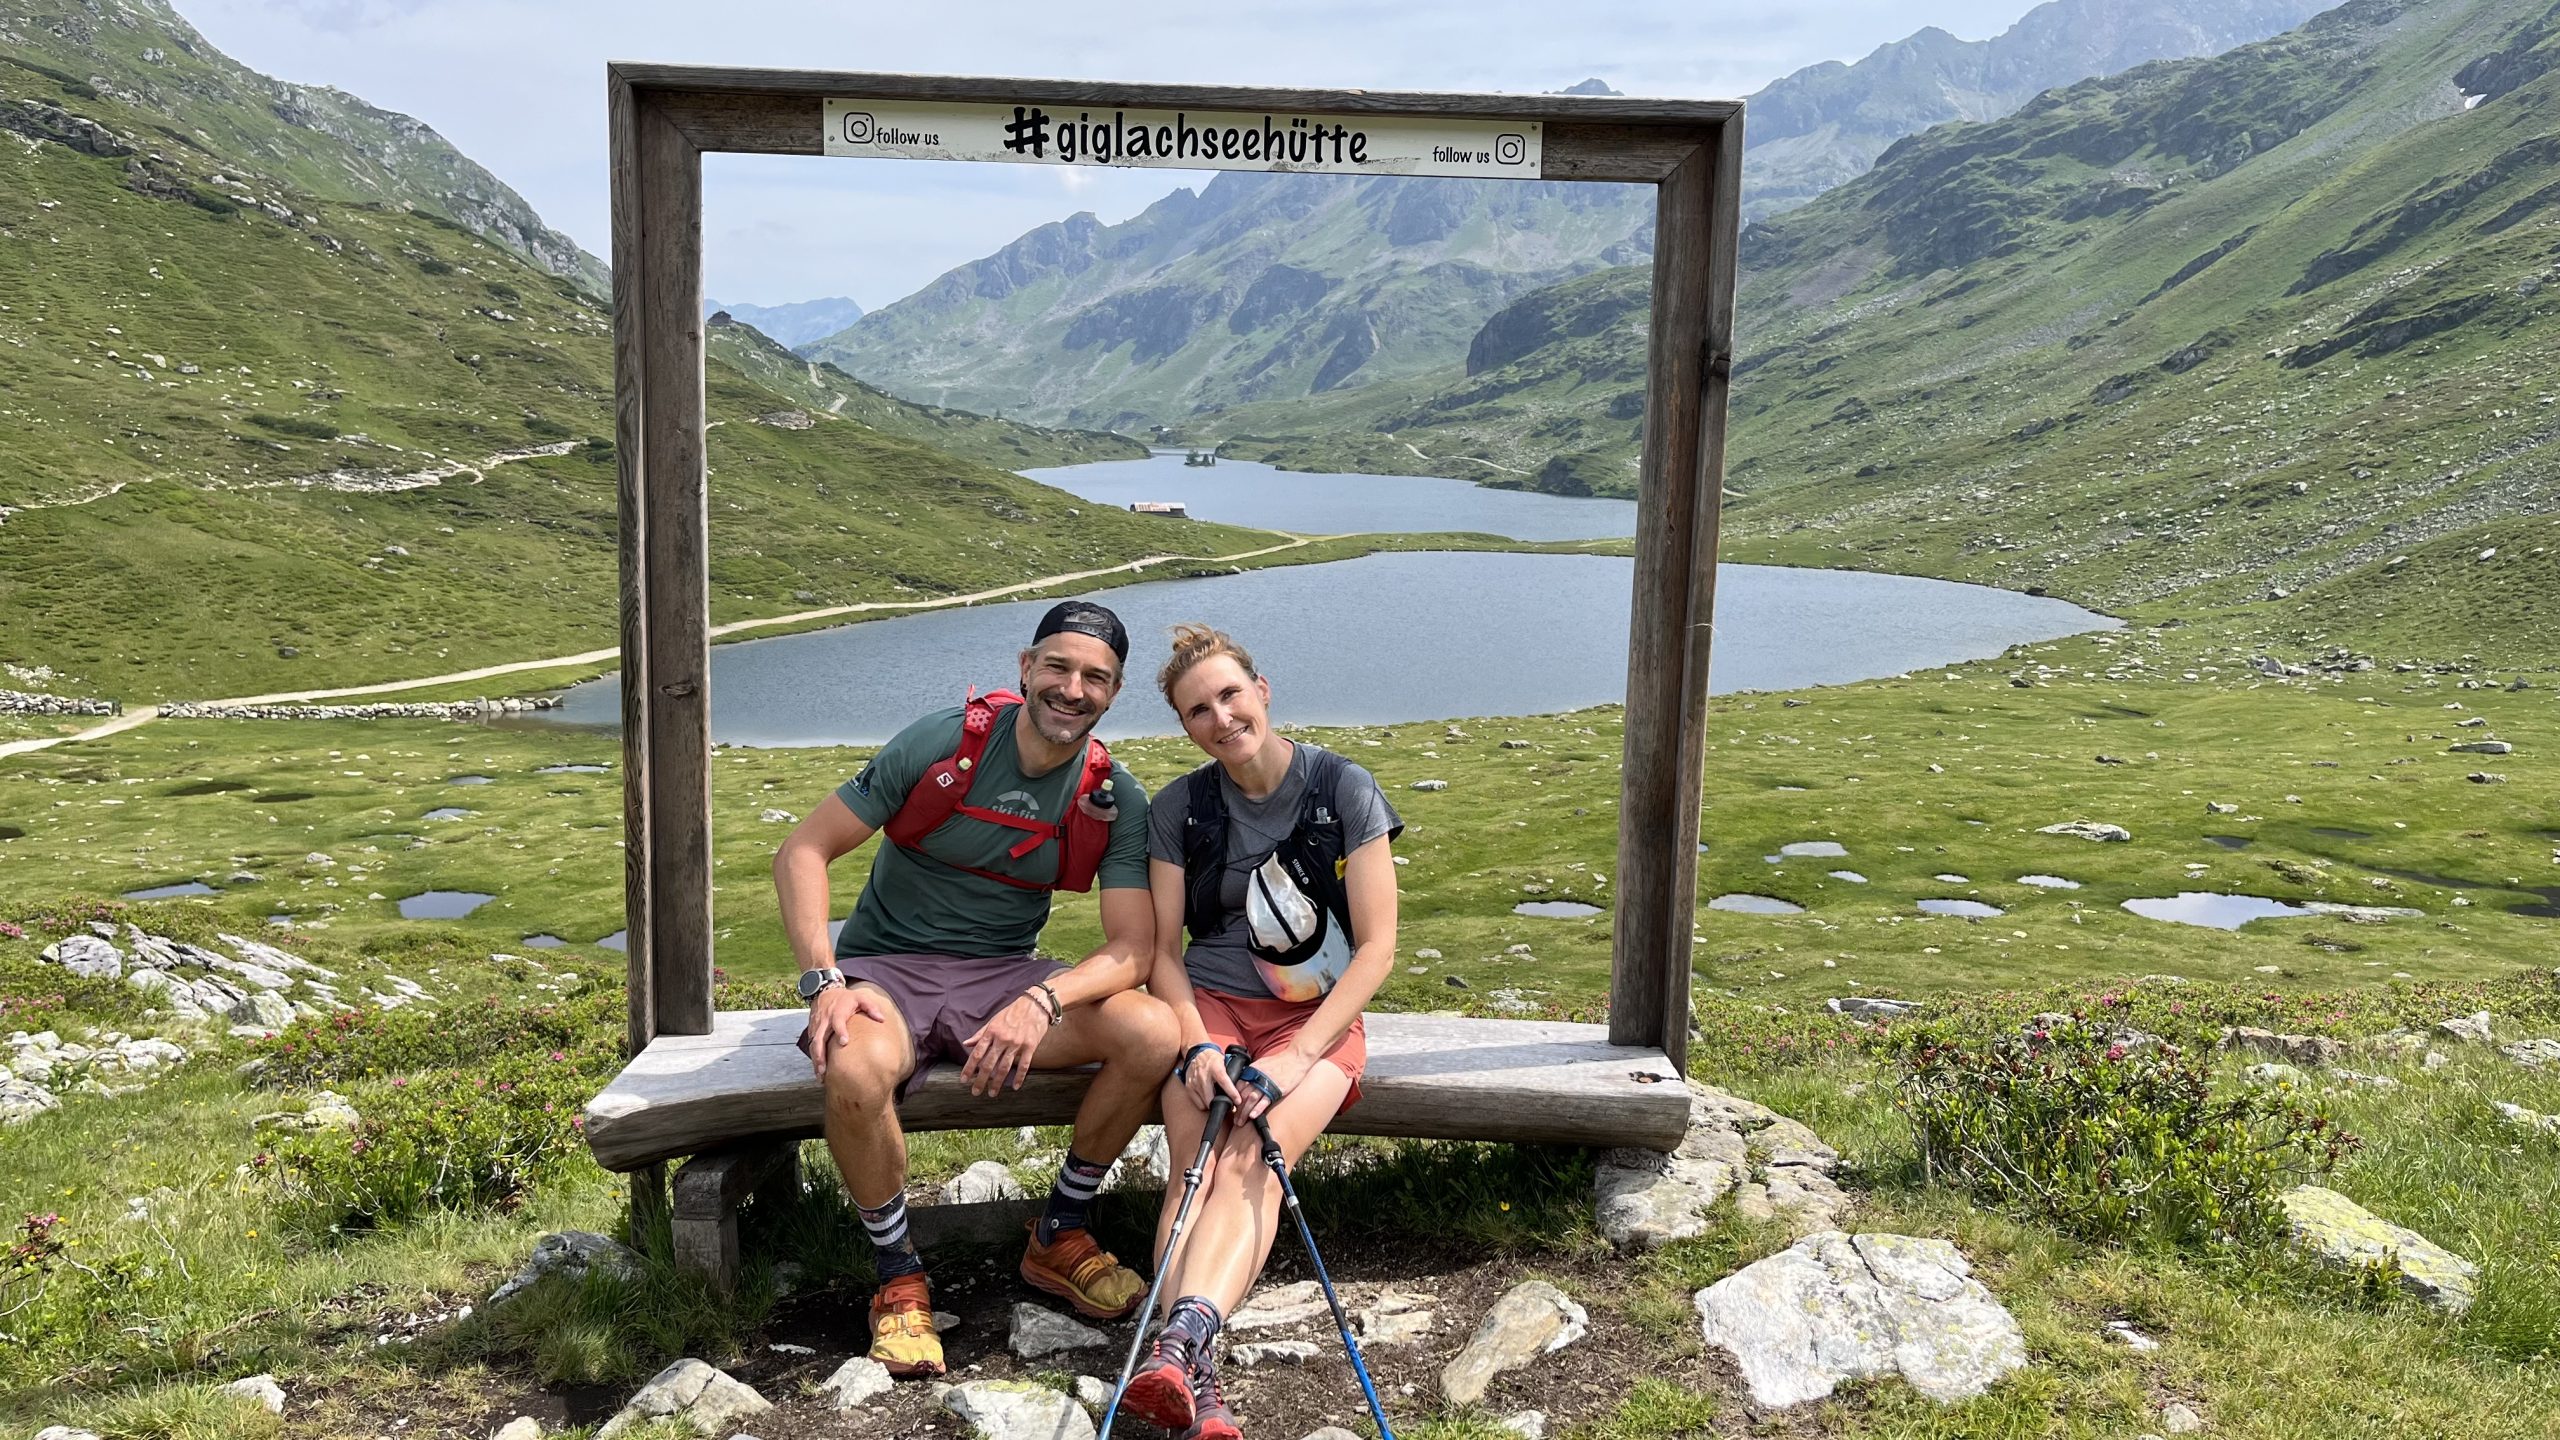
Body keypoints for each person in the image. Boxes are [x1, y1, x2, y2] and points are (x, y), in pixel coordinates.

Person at [773, 600, 1178, 1380]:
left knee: (1153, 1033)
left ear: (1114, 693)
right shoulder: (942, 743)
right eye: (1057, 666)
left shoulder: (1113, 797)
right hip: (885, 969)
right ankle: (897, 1277)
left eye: (1095, 677)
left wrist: (1043, 999)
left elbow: (1134, 948)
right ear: (1025, 669)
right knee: (854, 1067)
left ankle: (1059, 1232)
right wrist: (824, 981)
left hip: (1004, 974)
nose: (1072, 687)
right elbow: (803, 851)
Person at [1119, 624, 1402, 1440]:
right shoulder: (1179, 809)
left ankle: (1179, 1343)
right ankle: (1191, 1371)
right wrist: (1198, 1042)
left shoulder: (1342, 787)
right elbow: (1164, 955)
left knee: (1252, 1154)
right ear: (1186, 727)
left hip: (1316, 1023)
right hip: (1209, 1008)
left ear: (1263, 690)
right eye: (1198, 709)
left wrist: (1298, 1053)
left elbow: (1378, 947)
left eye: (1230, 695)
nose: (1221, 718)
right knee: (1195, 1161)